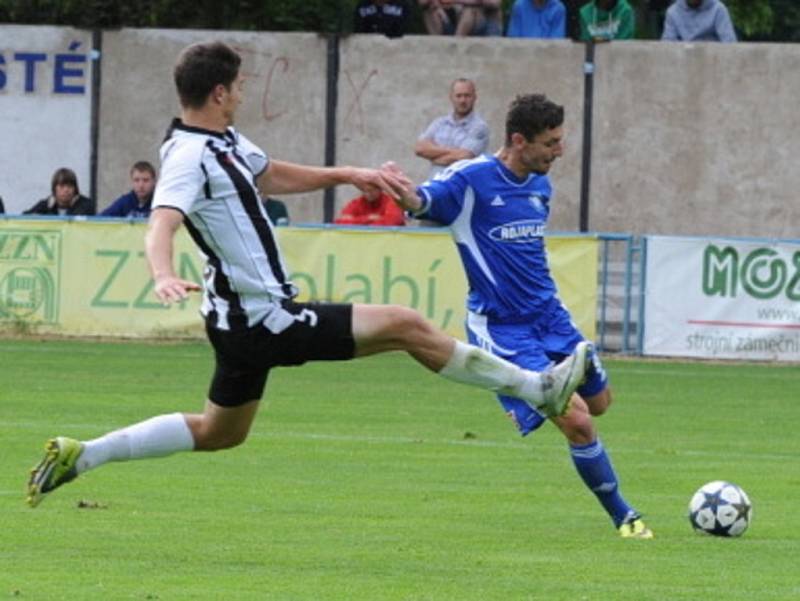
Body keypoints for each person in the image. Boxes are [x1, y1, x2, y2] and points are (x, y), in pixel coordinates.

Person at [26, 42, 590, 509]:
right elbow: (161, 222)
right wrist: (161, 273)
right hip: (263, 317)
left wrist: (348, 173)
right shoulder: (187, 156)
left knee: (220, 433)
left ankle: (85, 453)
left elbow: (272, 175)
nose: (245, 93)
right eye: (241, 86)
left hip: (236, 322)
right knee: (405, 324)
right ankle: (535, 386)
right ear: (220, 92)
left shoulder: (224, 142)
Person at [383, 93, 653, 539]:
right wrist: (407, 195)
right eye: (551, 143)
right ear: (518, 140)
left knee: (601, 404)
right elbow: (426, 202)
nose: (559, 151)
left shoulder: (540, 186)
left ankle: (522, 396)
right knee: (579, 421)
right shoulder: (472, 180)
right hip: (503, 327)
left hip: (551, 318)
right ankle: (625, 516)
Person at [415, 78, 490, 179]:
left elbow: (464, 156)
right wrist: (453, 152)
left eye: (467, 96)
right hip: (435, 186)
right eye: (458, 96)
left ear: (475, 97)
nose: (462, 100)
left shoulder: (480, 127)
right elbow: (420, 148)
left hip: (461, 190)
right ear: (451, 97)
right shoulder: (439, 123)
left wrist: (434, 156)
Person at [23, 168, 95, 216]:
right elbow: (24, 217)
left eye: (70, 186)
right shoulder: (46, 204)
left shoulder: (86, 205)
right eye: (62, 186)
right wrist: (49, 209)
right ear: (54, 188)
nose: (66, 190)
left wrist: (73, 206)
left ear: (75, 189)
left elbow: (70, 222)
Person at [661, 0, 737, 42]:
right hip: (684, 61)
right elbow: (667, 46)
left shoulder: (718, 9)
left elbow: (730, 43)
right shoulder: (672, 12)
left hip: (713, 60)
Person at [418, 0, 503, 37]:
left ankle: (457, 44)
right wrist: (436, 5)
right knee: (430, 12)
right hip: (451, 22)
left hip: (480, 24)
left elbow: (494, 3)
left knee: (469, 11)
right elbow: (422, 2)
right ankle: (436, 47)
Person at [334, 184, 406, 226]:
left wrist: (357, 222)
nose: (368, 194)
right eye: (364, 191)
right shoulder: (356, 202)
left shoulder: (391, 202)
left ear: (380, 189)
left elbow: (391, 222)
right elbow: (341, 223)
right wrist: (368, 218)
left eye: (371, 190)